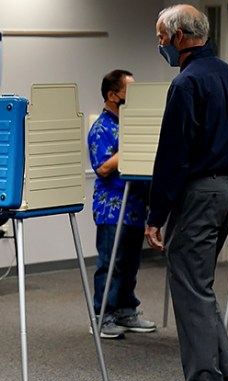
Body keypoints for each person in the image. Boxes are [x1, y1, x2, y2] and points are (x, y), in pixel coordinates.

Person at [145, 4, 228, 381]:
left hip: (199, 191)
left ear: (179, 37)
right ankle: (226, 373)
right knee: (199, 285)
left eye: (161, 36)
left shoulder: (187, 83)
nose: (159, 44)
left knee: (188, 288)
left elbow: (173, 155)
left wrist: (156, 214)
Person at [88, 69, 157, 339]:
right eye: (130, 93)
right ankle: (102, 316)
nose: (135, 99)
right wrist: (131, 143)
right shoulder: (101, 128)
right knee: (110, 263)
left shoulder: (133, 124)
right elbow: (103, 167)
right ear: (112, 95)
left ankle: (126, 310)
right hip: (111, 205)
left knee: (130, 263)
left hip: (136, 205)